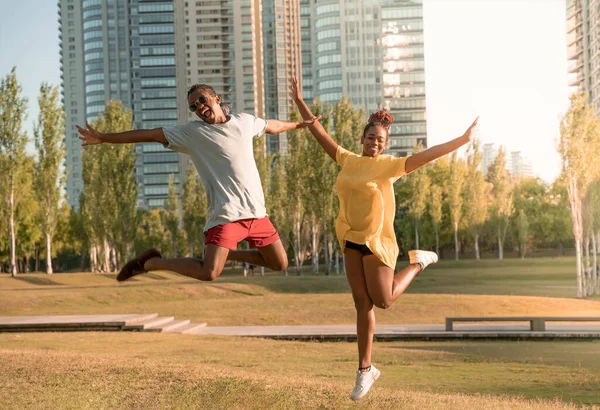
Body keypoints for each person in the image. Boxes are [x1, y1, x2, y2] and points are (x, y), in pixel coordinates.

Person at [291, 77, 478, 400]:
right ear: (362, 138)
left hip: (377, 241)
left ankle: (419, 263)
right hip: (350, 238)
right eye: (370, 137)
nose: (374, 142)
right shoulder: (347, 159)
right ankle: (365, 370)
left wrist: (463, 139)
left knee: (384, 301)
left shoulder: (389, 166)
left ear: (384, 144)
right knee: (362, 304)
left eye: (380, 140)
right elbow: (318, 132)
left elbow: (429, 154)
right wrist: (298, 99)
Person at [77, 83, 318, 282]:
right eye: (194, 106)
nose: (199, 107)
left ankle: (230, 255)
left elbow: (271, 126)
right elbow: (148, 134)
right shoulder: (192, 133)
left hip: (257, 213)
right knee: (209, 272)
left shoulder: (244, 122)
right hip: (227, 214)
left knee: (279, 263)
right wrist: (104, 138)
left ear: (216, 97)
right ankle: (152, 262)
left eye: (202, 100)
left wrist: (297, 124)